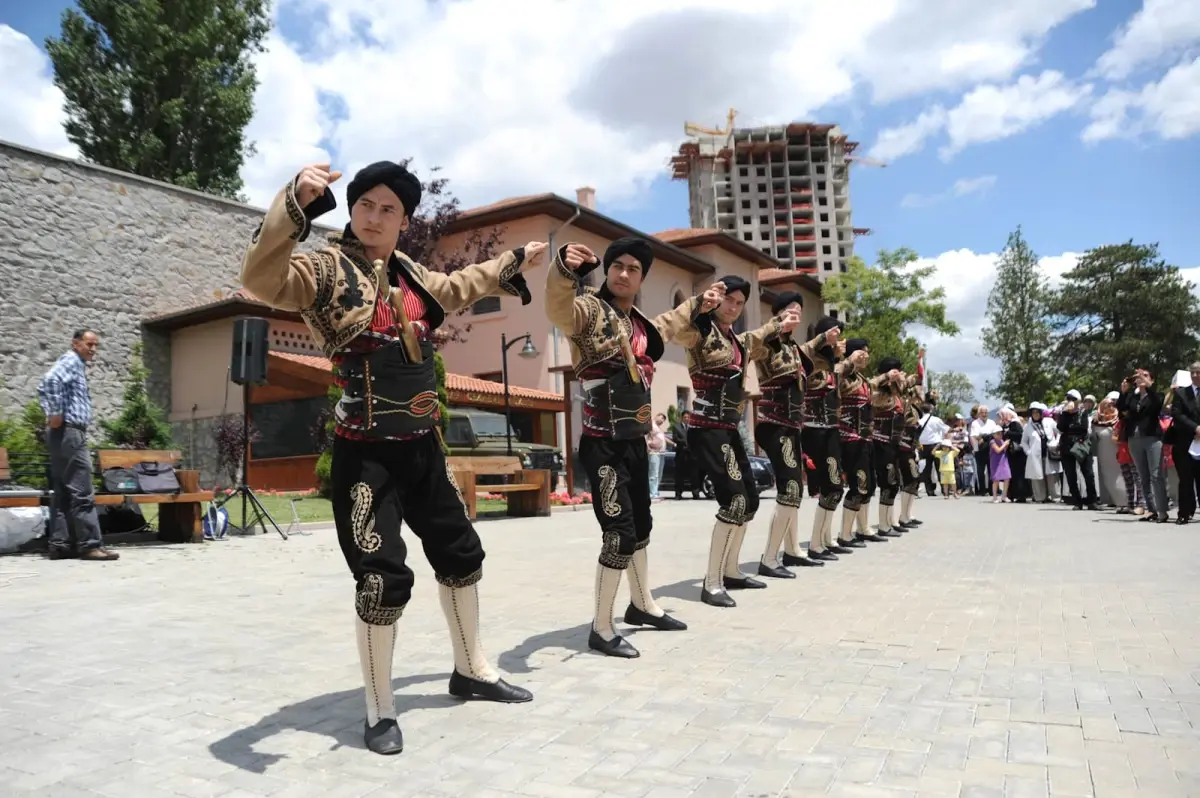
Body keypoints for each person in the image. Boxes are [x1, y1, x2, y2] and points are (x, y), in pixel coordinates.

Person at [241, 161, 540, 755]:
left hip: (423, 446)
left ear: (404, 220)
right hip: (365, 454)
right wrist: (294, 206)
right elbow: (261, 280)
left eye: (389, 209)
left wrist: (514, 263)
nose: (375, 218)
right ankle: (380, 710)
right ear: (351, 210)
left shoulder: (411, 272)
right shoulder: (323, 269)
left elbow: (460, 287)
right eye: (366, 205)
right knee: (382, 579)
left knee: (461, 553)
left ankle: (471, 669)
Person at [545, 236, 703, 657]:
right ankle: (601, 627)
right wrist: (563, 272)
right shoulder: (587, 310)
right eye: (617, 266)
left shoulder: (641, 324)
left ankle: (642, 605)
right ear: (607, 270)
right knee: (619, 534)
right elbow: (557, 308)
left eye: (633, 269)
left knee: (642, 530)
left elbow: (670, 322)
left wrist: (700, 303)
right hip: (602, 444)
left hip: (633, 441)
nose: (623, 273)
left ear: (641, 279)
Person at [676, 276, 800, 607]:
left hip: (729, 429)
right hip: (706, 427)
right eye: (728, 299)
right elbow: (675, 330)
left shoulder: (738, 341)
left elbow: (759, 337)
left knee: (751, 500)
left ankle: (731, 570)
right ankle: (712, 581)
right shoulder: (698, 331)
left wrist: (780, 323)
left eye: (739, 303)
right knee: (734, 502)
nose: (732, 307)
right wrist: (699, 302)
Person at [750, 291, 839, 575]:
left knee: (794, 490)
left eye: (798, 311)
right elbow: (751, 345)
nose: (795, 315)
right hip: (773, 423)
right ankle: (769, 558)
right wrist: (776, 326)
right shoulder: (769, 343)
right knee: (790, 488)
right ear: (776, 314)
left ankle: (791, 551)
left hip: (791, 426)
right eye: (789, 309)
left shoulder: (793, 349)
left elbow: (814, 357)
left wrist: (824, 341)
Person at [36, 329, 119, 562]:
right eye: (88, 344)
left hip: (65, 433)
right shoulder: (71, 360)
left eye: (95, 345)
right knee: (82, 490)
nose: (93, 349)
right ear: (75, 344)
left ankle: (60, 545)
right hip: (70, 431)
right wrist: (55, 414)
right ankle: (90, 545)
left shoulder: (76, 364)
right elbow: (49, 381)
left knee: (63, 492)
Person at [800, 318, 860, 560]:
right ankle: (816, 544)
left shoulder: (831, 362)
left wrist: (845, 360)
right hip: (814, 430)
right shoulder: (810, 357)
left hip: (831, 430)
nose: (840, 339)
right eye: (835, 334)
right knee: (827, 486)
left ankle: (824, 539)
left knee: (835, 488)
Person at [836, 338, 895, 546]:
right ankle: (845, 534)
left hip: (865, 438)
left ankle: (863, 528)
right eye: (863, 352)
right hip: (849, 439)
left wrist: (889, 380)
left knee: (868, 486)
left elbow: (876, 394)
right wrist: (849, 360)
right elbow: (834, 376)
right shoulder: (844, 375)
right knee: (858, 485)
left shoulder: (862, 380)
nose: (867, 355)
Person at [869, 358, 917, 537]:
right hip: (880, 442)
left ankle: (890, 521)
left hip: (893, 444)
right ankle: (883, 525)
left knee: (893, 483)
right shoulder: (879, 391)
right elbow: (871, 394)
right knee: (887, 482)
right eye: (897, 372)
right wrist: (886, 379)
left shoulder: (897, 393)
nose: (901, 375)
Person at [1119, 370, 1169, 523]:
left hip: (1152, 438)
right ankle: (1151, 510)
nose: (1140, 379)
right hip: (1134, 439)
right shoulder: (1133, 398)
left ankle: (1162, 510)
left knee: (1156, 475)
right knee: (1143, 476)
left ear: (1151, 381)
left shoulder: (1157, 395)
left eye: (1145, 376)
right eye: (1138, 377)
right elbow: (1121, 408)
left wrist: (1147, 386)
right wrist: (1123, 391)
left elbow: (1158, 404)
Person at [1168, 362, 1200, 524]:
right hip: (1185, 442)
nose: (1195, 375)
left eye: (1198, 372)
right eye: (1192, 373)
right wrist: (1196, 428)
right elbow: (1177, 414)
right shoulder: (1181, 393)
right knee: (1186, 480)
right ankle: (1184, 513)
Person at [1057, 390, 1099, 510]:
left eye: (1073, 399)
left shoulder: (1083, 412)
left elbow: (1083, 428)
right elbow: (1060, 428)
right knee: (1071, 475)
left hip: (1081, 445)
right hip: (1066, 446)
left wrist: (1073, 422)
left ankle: (1092, 501)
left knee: (1088, 474)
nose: (1070, 402)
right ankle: (1077, 501)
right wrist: (1065, 413)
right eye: (1069, 399)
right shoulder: (1063, 414)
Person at [1021, 402, 1062, 502]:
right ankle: (1040, 497)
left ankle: (1055, 497)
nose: (1035, 414)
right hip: (1035, 455)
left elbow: (1060, 432)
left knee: (1052, 476)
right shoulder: (1028, 426)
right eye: (1033, 412)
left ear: (1040, 413)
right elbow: (1024, 442)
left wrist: (1056, 442)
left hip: (1049, 453)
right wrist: (1028, 452)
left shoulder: (1049, 421)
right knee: (1037, 477)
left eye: (1037, 412)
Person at [670, 409, 700, 500]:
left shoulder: (693, 427)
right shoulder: (676, 427)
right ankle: (678, 494)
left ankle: (695, 494)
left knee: (694, 476)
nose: (686, 418)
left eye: (688, 417)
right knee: (679, 476)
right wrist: (685, 443)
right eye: (685, 417)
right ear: (681, 418)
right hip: (681, 455)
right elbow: (675, 438)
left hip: (692, 456)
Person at [646, 412, 669, 501]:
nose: (663, 420)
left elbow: (663, 438)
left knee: (659, 473)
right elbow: (645, 436)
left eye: (664, 419)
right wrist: (648, 447)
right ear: (657, 416)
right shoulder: (650, 424)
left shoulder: (659, 428)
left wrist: (673, 443)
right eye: (662, 418)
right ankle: (652, 493)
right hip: (654, 452)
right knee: (653, 474)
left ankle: (655, 491)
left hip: (661, 452)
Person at [989, 428, 1012, 502]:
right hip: (995, 462)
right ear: (993, 435)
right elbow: (998, 450)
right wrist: (1005, 444)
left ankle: (1004, 496)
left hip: (1003, 461)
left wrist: (1006, 445)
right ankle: (995, 497)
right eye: (997, 433)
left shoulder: (1002, 441)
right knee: (996, 479)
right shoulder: (992, 442)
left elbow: (1004, 450)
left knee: (1007, 477)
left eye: (1000, 433)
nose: (1000, 435)